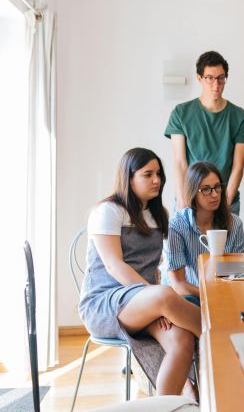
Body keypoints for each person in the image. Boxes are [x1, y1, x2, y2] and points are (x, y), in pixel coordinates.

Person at [78, 148, 200, 397]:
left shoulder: (158, 215)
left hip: (145, 302)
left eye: (159, 174)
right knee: (166, 295)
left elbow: (152, 268)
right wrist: (156, 299)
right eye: (148, 174)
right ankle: (222, 338)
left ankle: (167, 404)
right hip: (105, 303)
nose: (157, 180)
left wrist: (155, 302)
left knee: (182, 341)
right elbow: (115, 265)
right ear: (129, 177)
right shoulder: (109, 211)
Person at [165, 51, 244, 215]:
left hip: (225, 200)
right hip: (190, 200)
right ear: (199, 78)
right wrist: (183, 201)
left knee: (226, 242)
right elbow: (180, 162)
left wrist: (225, 205)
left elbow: (238, 166)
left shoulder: (240, 117)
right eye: (210, 78)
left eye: (221, 78)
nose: (216, 84)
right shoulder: (181, 113)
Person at [162, 162, 244, 305]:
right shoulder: (176, 225)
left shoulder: (235, 223)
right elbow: (179, 285)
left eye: (217, 187)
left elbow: (236, 273)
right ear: (193, 192)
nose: (214, 194)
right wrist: (211, 294)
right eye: (206, 189)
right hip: (185, 297)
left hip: (223, 295)